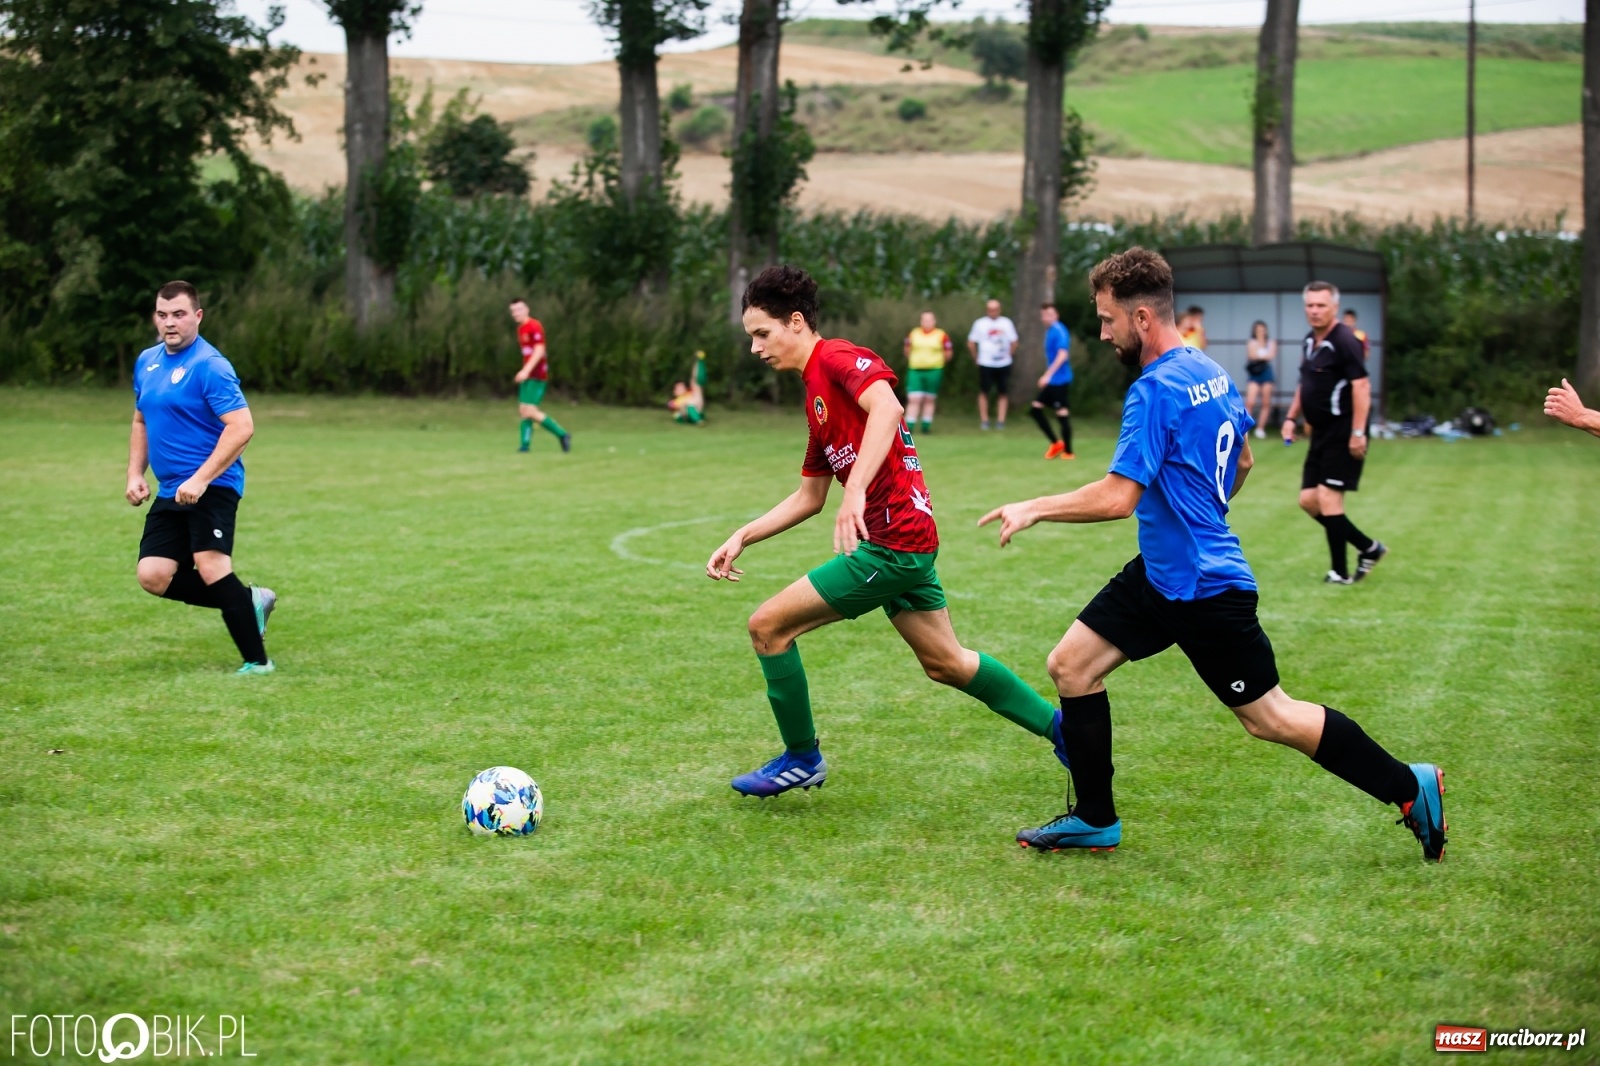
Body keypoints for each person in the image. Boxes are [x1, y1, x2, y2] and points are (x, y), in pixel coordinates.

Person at [977, 248, 1445, 861]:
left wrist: (1037, 505)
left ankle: (1411, 785)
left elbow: (1120, 498)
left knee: (1269, 718)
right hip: (1163, 573)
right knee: (1071, 666)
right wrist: (1200, 513)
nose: (1102, 332)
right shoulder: (1209, 371)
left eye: (1108, 319)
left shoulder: (1154, 391)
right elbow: (1243, 461)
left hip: (1204, 587)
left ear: (1142, 318)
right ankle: (1095, 818)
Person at [707, 265, 1070, 799]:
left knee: (768, 628)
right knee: (947, 663)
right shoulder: (816, 397)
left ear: (797, 322)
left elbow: (888, 405)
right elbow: (810, 496)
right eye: (751, 338)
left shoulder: (834, 358)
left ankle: (802, 758)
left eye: (762, 333)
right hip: (908, 543)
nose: (756, 348)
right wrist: (743, 535)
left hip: (890, 542)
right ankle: (1066, 731)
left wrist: (856, 491)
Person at [128, 281, 277, 676]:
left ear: (197, 316)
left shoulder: (210, 365)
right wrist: (133, 472)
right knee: (153, 575)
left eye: (178, 314)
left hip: (214, 484)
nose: (169, 323)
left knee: (210, 566)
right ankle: (251, 601)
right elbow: (141, 419)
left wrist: (201, 479)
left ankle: (258, 663)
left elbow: (241, 426)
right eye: (162, 314)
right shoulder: (147, 362)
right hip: (171, 488)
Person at [1282, 282, 1387, 585]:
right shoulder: (1308, 342)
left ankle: (1339, 572)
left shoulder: (1345, 340)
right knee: (1308, 500)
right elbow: (1305, 385)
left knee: (1328, 498)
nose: (1315, 311)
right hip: (1321, 433)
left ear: (1335, 308)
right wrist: (1291, 417)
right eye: (1310, 305)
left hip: (1344, 430)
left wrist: (1358, 432)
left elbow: (1362, 386)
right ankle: (1369, 548)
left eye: (1321, 305)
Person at [509, 298, 571, 453]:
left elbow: (539, 350)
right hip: (528, 374)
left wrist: (526, 371)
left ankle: (562, 434)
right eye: (513, 311)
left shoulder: (534, 326)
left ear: (527, 309)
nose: (516, 313)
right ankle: (524, 446)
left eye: (519, 309)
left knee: (529, 410)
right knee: (524, 409)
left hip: (537, 375)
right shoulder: (521, 329)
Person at [1030, 303, 1074, 460]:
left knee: (1061, 413)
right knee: (1035, 409)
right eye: (1043, 315)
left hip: (1059, 381)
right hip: (1053, 381)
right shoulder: (1050, 331)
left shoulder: (1059, 330)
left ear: (1056, 315)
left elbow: (1063, 355)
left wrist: (1047, 375)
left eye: (1049, 314)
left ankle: (1068, 451)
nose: (1045, 317)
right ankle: (1056, 444)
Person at [967, 299, 1017, 430]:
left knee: (1003, 392)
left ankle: (1001, 420)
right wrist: (976, 358)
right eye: (990, 309)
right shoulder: (980, 323)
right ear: (986, 310)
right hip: (986, 363)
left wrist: (1009, 355)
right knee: (984, 391)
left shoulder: (1006, 323)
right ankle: (985, 420)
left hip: (1003, 363)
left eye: (995, 309)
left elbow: (1014, 341)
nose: (993, 312)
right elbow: (971, 342)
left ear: (999, 310)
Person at [902, 311, 953, 434]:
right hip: (915, 370)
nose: (927, 322)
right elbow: (907, 349)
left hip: (934, 370)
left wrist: (938, 363)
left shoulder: (941, 335)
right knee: (914, 398)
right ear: (921, 321)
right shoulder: (914, 333)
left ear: (934, 321)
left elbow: (948, 352)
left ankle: (926, 427)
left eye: (930, 320)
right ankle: (909, 426)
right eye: (924, 320)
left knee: (929, 399)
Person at [1244, 320, 1276, 440]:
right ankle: (1245, 428)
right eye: (1258, 330)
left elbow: (1271, 355)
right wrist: (1263, 356)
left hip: (1266, 372)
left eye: (1262, 330)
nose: (1261, 332)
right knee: (1250, 402)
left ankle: (1260, 428)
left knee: (1266, 402)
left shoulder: (1270, 342)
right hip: (1255, 373)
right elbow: (1251, 355)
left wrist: (1261, 356)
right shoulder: (1251, 342)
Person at [669, 353, 706, 425]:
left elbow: (694, 381)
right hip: (687, 415)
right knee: (689, 405)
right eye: (679, 388)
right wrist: (675, 410)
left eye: (683, 387)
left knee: (695, 382)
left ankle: (699, 361)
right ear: (674, 392)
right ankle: (698, 420)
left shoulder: (689, 393)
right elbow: (674, 411)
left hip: (698, 408)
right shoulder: (675, 401)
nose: (682, 389)